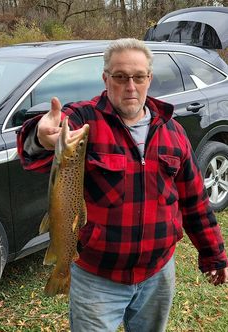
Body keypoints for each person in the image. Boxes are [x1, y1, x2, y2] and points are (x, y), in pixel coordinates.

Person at [17, 38, 228, 332]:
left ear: (149, 79)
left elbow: (194, 200)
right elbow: (36, 147)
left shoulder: (172, 131)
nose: (130, 86)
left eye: (138, 77)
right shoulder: (83, 120)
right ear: (105, 78)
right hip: (97, 279)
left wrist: (213, 254)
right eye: (120, 77)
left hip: (158, 275)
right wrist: (40, 135)